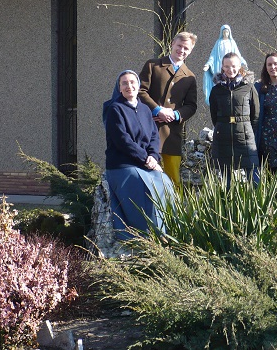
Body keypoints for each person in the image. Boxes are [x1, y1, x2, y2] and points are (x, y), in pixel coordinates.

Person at [103, 70, 174, 239]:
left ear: (138, 85)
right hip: (123, 164)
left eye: (132, 82)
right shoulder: (115, 109)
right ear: (119, 88)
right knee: (141, 186)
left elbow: (154, 136)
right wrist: (145, 158)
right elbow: (122, 140)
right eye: (124, 83)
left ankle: (167, 233)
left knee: (165, 182)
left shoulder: (145, 109)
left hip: (145, 163)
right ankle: (144, 235)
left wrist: (153, 157)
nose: (129, 86)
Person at [138, 31, 198, 188]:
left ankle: (173, 206)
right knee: (147, 177)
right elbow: (140, 91)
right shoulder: (153, 65)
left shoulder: (190, 77)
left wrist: (175, 114)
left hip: (172, 135)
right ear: (172, 44)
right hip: (148, 130)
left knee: (173, 182)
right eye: (179, 46)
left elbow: (191, 106)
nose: (182, 50)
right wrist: (157, 110)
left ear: (190, 51)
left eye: (186, 48)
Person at [209, 53, 259, 183]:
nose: (230, 70)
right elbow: (214, 115)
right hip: (223, 138)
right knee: (226, 182)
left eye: (233, 66)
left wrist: (246, 128)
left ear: (239, 66)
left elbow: (255, 114)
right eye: (227, 66)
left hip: (245, 138)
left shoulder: (249, 87)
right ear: (222, 67)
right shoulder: (216, 90)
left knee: (254, 180)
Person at [203, 24, 248, 105]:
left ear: (229, 33)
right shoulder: (218, 42)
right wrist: (208, 64)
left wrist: (242, 62)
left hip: (231, 66)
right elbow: (213, 55)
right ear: (221, 33)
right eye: (224, 32)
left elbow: (237, 55)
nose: (225, 33)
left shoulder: (232, 42)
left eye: (227, 32)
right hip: (220, 66)